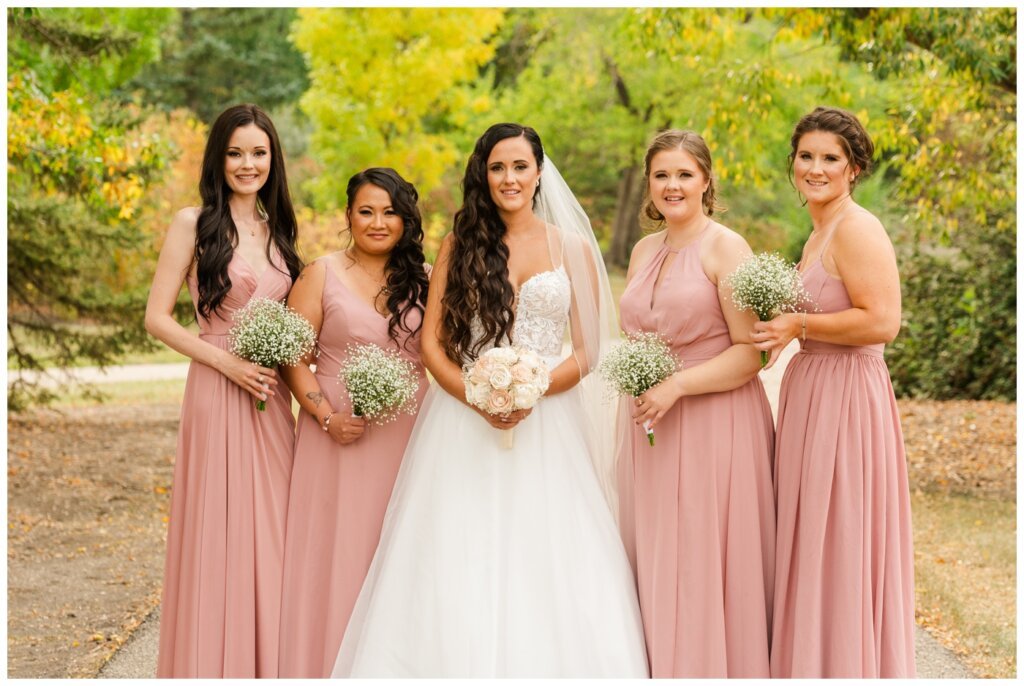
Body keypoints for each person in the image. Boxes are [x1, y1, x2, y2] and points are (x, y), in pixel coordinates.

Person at [330, 123, 648, 677]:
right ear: (484, 173)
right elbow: (431, 344)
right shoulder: (460, 244)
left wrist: (532, 389)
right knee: (456, 549)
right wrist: (478, 398)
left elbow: (590, 348)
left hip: (549, 423)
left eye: (520, 166)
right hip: (463, 422)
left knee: (550, 554)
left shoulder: (568, 245)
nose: (509, 178)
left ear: (539, 172)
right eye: (497, 167)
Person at [752, 106, 915, 677]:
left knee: (840, 536)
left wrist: (799, 326)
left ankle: (846, 665)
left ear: (853, 168)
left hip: (848, 400)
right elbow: (817, 313)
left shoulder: (857, 227)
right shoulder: (819, 232)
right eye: (806, 157)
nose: (815, 169)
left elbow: (882, 322)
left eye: (830, 159)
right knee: (811, 535)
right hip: (812, 392)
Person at [145, 104, 302, 677]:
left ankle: (272, 662)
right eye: (236, 152)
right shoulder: (193, 223)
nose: (247, 163)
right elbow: (157, 319)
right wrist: (226, 364)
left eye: (258, 152)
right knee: (220, 531)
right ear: (219, 157)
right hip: (216, 391)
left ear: (272, 159)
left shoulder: (281, 231)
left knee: (279, 530)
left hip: (271, 398)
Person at [617, 130, 775, 677]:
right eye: (661, 175)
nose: (672, 185)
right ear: (649, 184)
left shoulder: (726, 247)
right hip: (651, 425)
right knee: (659, 552)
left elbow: (753, 355)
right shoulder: (643, 249)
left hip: (715, 422)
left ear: (707, 180)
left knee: (702, 558)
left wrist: (677, 386)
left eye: (684, 174)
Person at [277, 168, 430, 677]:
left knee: (400, 549)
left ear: (406, 220)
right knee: (337, 553)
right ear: (348, 215)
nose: (378, 222)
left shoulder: (426, 279)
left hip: (410, 436)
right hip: (338, 437)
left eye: (390, 212)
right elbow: (294, 358)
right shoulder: (320, 273)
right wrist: (326, 416)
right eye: (366, 211)